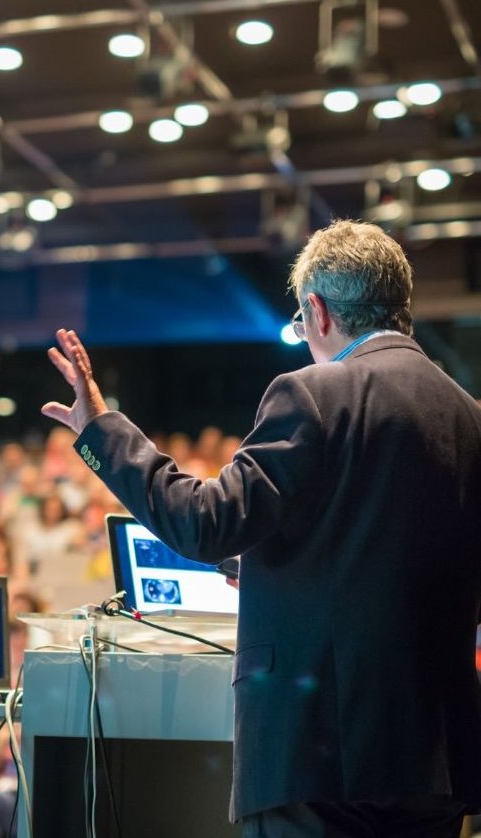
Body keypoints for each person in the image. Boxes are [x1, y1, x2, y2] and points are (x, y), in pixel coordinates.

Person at [41, 220, 481, 837]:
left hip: (319, 754)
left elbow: (204, 523)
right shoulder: (468, 415)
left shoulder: (315, 393)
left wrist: (102, 430)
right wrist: (280, 573)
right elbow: (391, 556)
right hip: (435, 761)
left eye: (301, 324)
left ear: (317, 312)